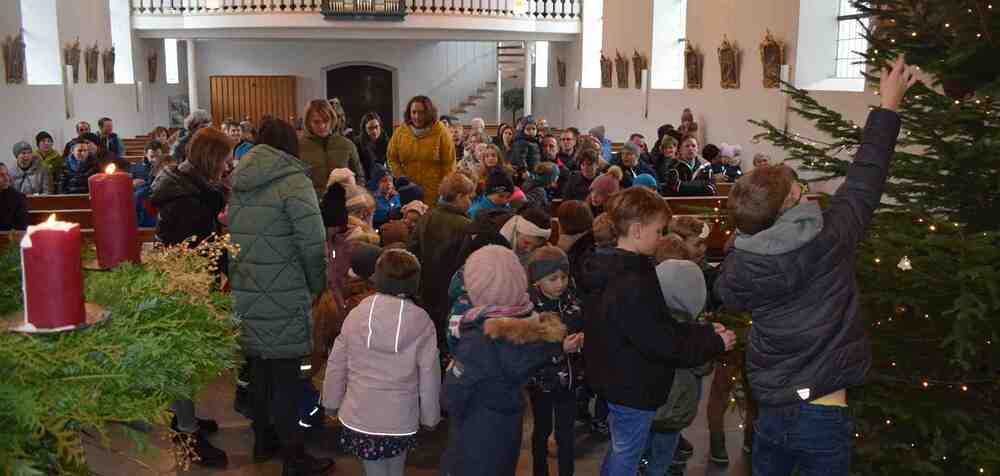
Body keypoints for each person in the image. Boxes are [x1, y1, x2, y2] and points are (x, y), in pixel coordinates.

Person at [713, 57, 916, 476]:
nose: (805, 191)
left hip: (771, 407)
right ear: (790, 202)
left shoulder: (740, 262)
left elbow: (727, 286)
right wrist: (889, 107)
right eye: (800, 187)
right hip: (822, 408)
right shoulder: (830, 239)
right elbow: (865, 177)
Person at [577, 187, 735, 476]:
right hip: (633, 384)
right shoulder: (631, 278)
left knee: (623, 449)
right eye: (659, 231)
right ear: (637, 230)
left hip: (617, 376)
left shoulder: (612, 265)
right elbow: (659, 340)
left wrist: (701, 332)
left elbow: (657, 324)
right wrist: (712, 342)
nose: (662, 237)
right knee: (627, 454)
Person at [228, 118, 334, 476]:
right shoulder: (294, 181)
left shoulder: (240, 179)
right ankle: (294, 457)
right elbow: (312, 243)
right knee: (288, 376)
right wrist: (317, 284)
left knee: (260, 369)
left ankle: (263, 442)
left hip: (248, 288)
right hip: (285, 290)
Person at [440, 245, 567, 476]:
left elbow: (451, 397)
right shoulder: (528, 330)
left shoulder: (478, 340)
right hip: (507, 429)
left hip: (473, 437)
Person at [149, 127, 232, 468]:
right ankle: (187, 433)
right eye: (225, 159)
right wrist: (230, 262)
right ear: (211, 159)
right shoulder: (187, 199)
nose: (228, 166)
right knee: (182, 359)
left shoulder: (189, 187)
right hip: (183, 287)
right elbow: (199, 249)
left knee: (187, 358)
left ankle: (185, 417)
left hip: (188, 281)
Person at [323, 248, 441, 476]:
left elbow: (337, 363)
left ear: (378, 278)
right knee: (396, 467)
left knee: (373, 469)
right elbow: (430, 374)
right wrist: (430, 416)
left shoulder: (357, 314)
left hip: (360, 413)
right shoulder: (421, 320)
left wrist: (331, 401)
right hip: (401, 417)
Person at [645, 234, 715, 476]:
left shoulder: (648, 316)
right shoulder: (693, 325)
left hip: (648, 399)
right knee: (665, 446)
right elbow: (702, 366)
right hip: (678, 404)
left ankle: (645, 465)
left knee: (646, 439)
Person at [525, 245, 585, 476]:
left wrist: (583, 337)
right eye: (553, 279)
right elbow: (528, 347)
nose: (560, 284)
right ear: (537, 280)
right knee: (541, 431)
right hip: (540, 382)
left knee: (566, 434)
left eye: (564, 277)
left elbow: (583, 323)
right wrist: (560, 348)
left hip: (570, 381)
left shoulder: (572, 299)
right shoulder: (529, 308)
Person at [408, 173, 475, 346]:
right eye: (469, 197)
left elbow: (412, 250)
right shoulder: (466, 226)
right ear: (459, 197)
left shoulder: (426, 217)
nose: (471, 201)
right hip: (451, 291)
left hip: (426, 288)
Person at [387, 96, 456, 207]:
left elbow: (449, 164)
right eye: (414, 112)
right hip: (408, 191)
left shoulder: (441, 131)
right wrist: (402, 178)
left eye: (422, 112)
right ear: (409, 113)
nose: (417, 116)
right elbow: (392, 158)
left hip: (434, 193)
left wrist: (444, 189)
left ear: (429, 113)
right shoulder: (400, 132)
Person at [300, 99, 365, 198]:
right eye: (316, 122)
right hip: (311, 203)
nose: (322, 126)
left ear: (332, 120)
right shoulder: (298, 147)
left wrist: (354, 196)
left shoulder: (347, 145)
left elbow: (359, 176)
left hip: (342, 202)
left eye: (326, 121)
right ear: (308, 122)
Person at [133, 140, 169, 228]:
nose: (155, 160)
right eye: (152, 156)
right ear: (146, 154)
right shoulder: (137, 169)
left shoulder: (167, 166)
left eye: (158, 156)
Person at [355, 112, 390, 181]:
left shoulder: (385, 140)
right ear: (365, 129)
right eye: (370, 128)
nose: (374, 131)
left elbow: (390, 161)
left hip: (381, 175)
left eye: (376, 127)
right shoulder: (358, 142)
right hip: (364, 176)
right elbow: (357, 166)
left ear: (380, 127)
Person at [366, 163, 401, 229]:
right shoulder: (371, 199)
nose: (388, 183)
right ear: (376, 183)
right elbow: (370, 217)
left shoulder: (395, 196)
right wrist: (388, 215)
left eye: (390, 180)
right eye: (384, 181)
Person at [0, 163, 28, 231]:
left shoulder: (18, 198)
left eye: (7, 174)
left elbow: (21, 227)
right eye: (1, 175)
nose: (6, 178)